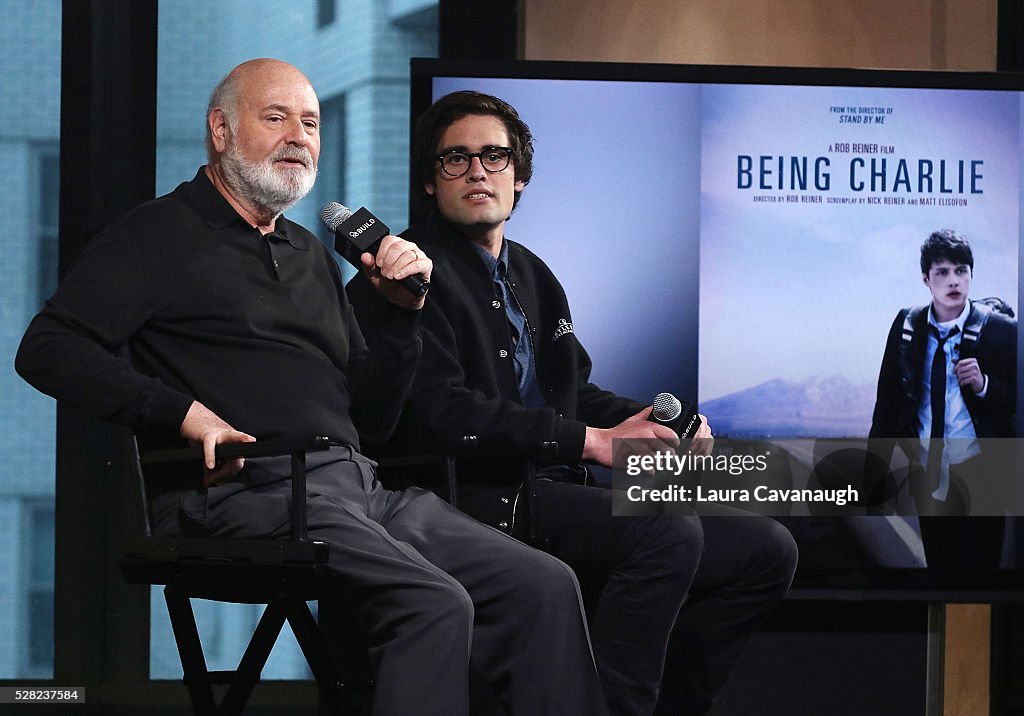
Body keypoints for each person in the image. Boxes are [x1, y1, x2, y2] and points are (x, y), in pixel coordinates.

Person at [15, 60, 610, 716]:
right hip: (243, 493)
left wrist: (401, 318)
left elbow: (372, 420)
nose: (298, 136)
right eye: (276, 118)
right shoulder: (157, 234)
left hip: (357, 490)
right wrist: (182, 413)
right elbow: (48, 348)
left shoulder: (306, 252)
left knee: (542, 585)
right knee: (431, 601)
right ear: (220, 130)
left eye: (311, 122)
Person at [347, 90, 799, 716]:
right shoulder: (399, 277)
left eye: (494, 157)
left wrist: (649, 422)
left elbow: (573, 392)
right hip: (473, 498)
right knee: (664, 532)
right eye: (456, 158)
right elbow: (441, 415)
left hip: (558, 487)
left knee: (766, 549)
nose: (478, 170)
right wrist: (590, 442)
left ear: (520, 178)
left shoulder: (533, 274)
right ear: (429, 182)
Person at [868, 229, 1016, 575]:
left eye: (961, 271)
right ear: (926, 279)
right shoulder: (907, 326)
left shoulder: (1002, 330)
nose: (953, 281)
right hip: (929, 469)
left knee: (981, 572)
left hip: (981, 467)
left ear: (971, 275)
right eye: (942, 272)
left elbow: (1015, 400)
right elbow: (888, 400)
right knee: (939, 569)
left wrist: (984, 386)